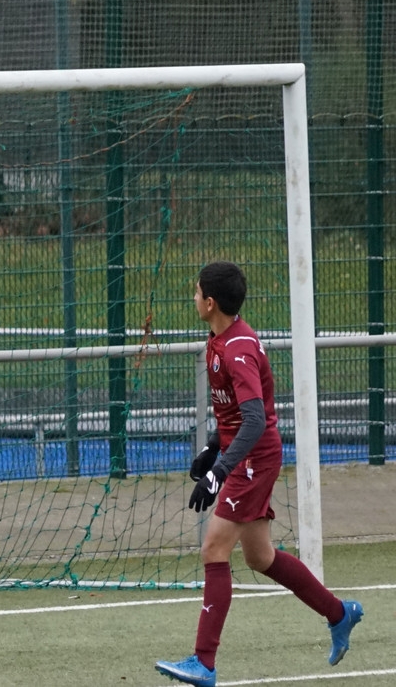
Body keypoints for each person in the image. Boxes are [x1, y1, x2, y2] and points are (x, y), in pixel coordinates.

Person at [155, 261, 363, 687]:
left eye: (196, 292)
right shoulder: (221, 340)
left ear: (210, 303)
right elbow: (240, 413)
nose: (193, 297)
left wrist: (220, 471)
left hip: (253, 459)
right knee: (260, 557)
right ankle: (339, 613)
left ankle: (204, 662)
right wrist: (212, 448)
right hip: (246, 454)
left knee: (214, 548)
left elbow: (254, 421)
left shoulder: (237, 350)